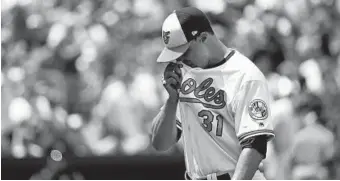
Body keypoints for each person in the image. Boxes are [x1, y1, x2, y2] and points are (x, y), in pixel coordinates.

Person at [151, 7, 275, 180]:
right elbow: (160, 144)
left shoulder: (245, 75)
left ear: (202, 37)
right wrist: (172, 101)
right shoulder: (184, 73)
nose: (180, 59)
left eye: (184, 52)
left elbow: (255, 146)